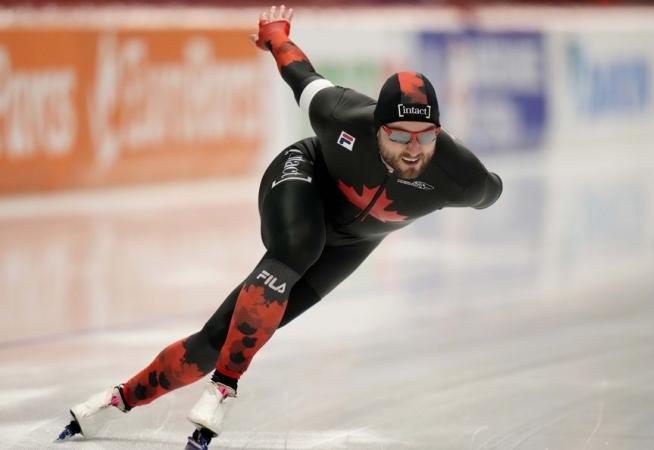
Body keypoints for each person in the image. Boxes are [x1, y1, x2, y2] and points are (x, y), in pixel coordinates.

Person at [57, 5, 502, 450]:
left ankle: (113, 402)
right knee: (298, 246)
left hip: (352, 244)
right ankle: (224, 388)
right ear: (375, 126)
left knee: (220, 338)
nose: (412, 149)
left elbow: (492, 190)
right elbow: (299, 71)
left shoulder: (460, 176)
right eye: (399, 135)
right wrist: (274, 34)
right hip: (303, 178)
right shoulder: (340, 113)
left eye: (425, 136)